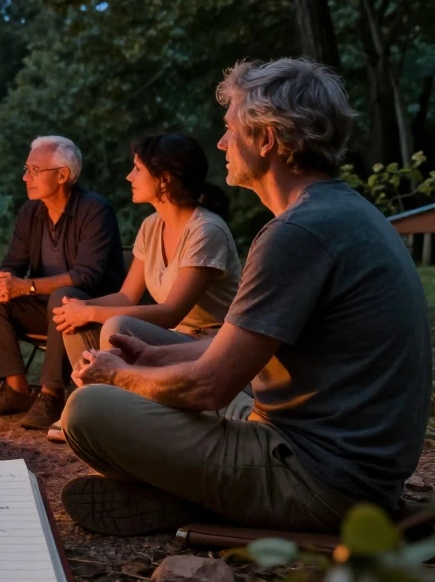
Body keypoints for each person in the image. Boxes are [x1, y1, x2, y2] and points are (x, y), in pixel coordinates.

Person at [60, 58, 431, 535]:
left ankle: (200, 499)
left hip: (321, 478)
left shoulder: (297, 232)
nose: (221, 143)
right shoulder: (340, 212)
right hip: (335, 454)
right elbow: (241, 348)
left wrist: (120, 376)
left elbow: (207, 387)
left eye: (229, 130)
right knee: (133, 342)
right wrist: (151, 356)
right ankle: (197, 493)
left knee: (88, 411)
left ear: (266, 139)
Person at [19, 133, 241, 430]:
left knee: (116, 326)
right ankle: (92, 403)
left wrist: (91, 312)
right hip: (171, 336)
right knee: (68, 309)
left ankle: (104, 411)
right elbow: (126, 297)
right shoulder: (151, 226)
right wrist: (79, 307)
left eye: (137, 169)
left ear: (164, 179)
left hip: (207, 342)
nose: (129, 176)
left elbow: (171, 311)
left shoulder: (206, 231)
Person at [0, 136, 125, 419]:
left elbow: (86, 276)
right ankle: (16, 389)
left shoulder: (95, 211)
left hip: (88, 309)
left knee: (62, 296)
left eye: (34, 170)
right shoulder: (31, 212)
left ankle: (51, 394)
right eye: (26, 169)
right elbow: (13, 263)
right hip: (46, 307)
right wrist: (3, 282)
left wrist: (25, 286)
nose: (25, 176)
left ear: (63, 175)